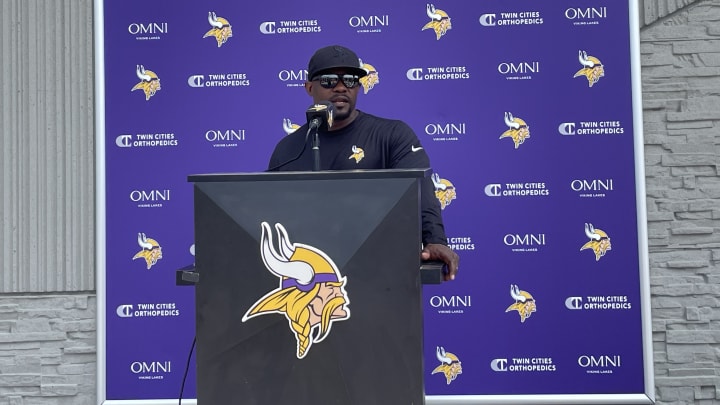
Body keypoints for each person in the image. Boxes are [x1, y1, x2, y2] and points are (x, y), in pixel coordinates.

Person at [268, 44, 459, 281]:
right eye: (328, 80)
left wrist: (434, 240)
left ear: (358, 87)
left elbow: (419, 191)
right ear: (309, 88)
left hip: (380, 273)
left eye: (350, 80)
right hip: (312, 280)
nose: (340, 87)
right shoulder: (287, 149)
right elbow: (271, 212)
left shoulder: (392, 135)